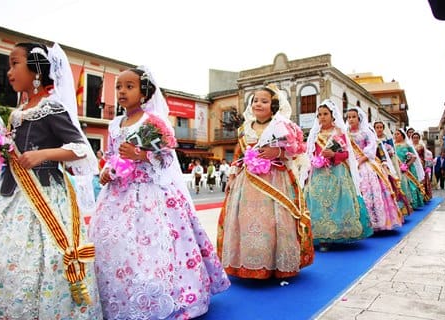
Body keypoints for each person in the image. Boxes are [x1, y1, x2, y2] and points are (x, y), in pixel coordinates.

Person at [89, 67, 229, 320]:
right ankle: (119, 297)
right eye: (119, 87)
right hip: (117, 195)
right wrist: (107, 171)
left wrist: (143, 155)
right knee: (118, 247)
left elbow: (166, 160)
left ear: (143, 93)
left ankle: (162, 296)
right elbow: (111, 155)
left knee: (151, 249)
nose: (122, 91)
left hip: (150, 194)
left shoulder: (153, 122)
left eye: (129, 86)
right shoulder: (114, 124)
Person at [0, 43, 102, 318]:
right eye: (8, 65)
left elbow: (81, 150)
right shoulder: (17, 111)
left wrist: (42, 154)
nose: (9, 72)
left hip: (44, 196)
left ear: (35, 71)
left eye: (15, 63)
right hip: (8, 192)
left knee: (39, 260)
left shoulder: (51, 107)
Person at [217, 84, 314, 279]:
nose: (258, 104)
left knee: (274, 221)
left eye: (264, 101)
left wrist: (276, 152)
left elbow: (296, 151)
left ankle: (273, 264)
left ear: (274, 106)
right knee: (246, 220)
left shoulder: (281, 126)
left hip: (276, 179)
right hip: (247, 181)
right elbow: (239, 153)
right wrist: (232, 176)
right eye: (255, 100)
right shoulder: (245, 129)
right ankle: (249, 262)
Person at [302, 100, 372, 251]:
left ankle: (337, 233)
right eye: (319, 114)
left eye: (325, 114)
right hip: (318, 172)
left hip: (336, 172)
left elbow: (346, 154)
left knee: (337, 202)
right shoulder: (315, 134)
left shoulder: (339, 133)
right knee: (317, 201)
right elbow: (310, 154)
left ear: (332, 115)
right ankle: (321, 237)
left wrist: (334, 154)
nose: (322, 117)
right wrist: (313, 163)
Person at [346, 107, 402, 231]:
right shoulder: (346, 133)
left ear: (359, 118)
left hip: (365, 164)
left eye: (353, 117)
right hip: (350, 163)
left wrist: (359, 161)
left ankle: (375, 221)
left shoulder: (366, 132)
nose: (351, 119)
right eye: (349, 117)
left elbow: (371, 149)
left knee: (369, 190)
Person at [373, 121, 412, 216]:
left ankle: (398, 208)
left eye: (380, 127)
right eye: (377, 127)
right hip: (376, 163)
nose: (379, 129)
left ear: (383, 128)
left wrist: (389, 153)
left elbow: (392, 150)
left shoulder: (388, 139)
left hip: (388, 162)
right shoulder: (372, 137)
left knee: (391, 183)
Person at [394, 129, 426, 208]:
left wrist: (407, 165)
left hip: (408, 168)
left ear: (402, 135)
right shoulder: (392, 145)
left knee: (411, 185)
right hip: (396, 168)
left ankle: (412, 203)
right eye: (395, 134)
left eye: (398, 134)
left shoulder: (407, 145)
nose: (396, 136)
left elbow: (414, 156)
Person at [411, 132, 432, 199]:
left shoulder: (421, 146)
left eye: (417, 137)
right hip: (413, 163)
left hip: (421, 164)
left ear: (419, 138)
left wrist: (426, 165)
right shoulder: (410, 146)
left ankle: (423, 196)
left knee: (422, 179)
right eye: (414, 138)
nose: (415, 139)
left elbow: (425, 155)